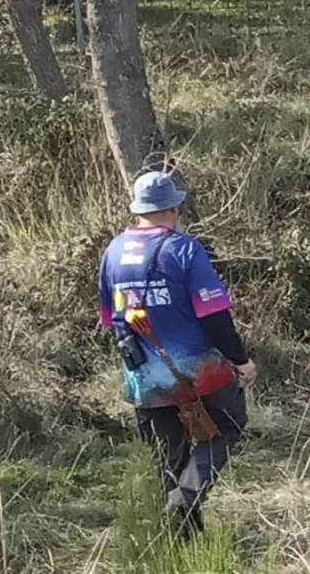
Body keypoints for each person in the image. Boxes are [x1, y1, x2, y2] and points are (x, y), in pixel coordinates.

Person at [97, 170, 257, 540]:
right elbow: (215, 316)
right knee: (227, 426)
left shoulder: (114, 251)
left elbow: (112, 319)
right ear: (173, 206)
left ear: (139, 208)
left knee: (168, 455)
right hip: (199, 371)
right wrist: (240, 360)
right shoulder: (185, 249)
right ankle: (184, 503)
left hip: (143, 377)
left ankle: (182, 540)